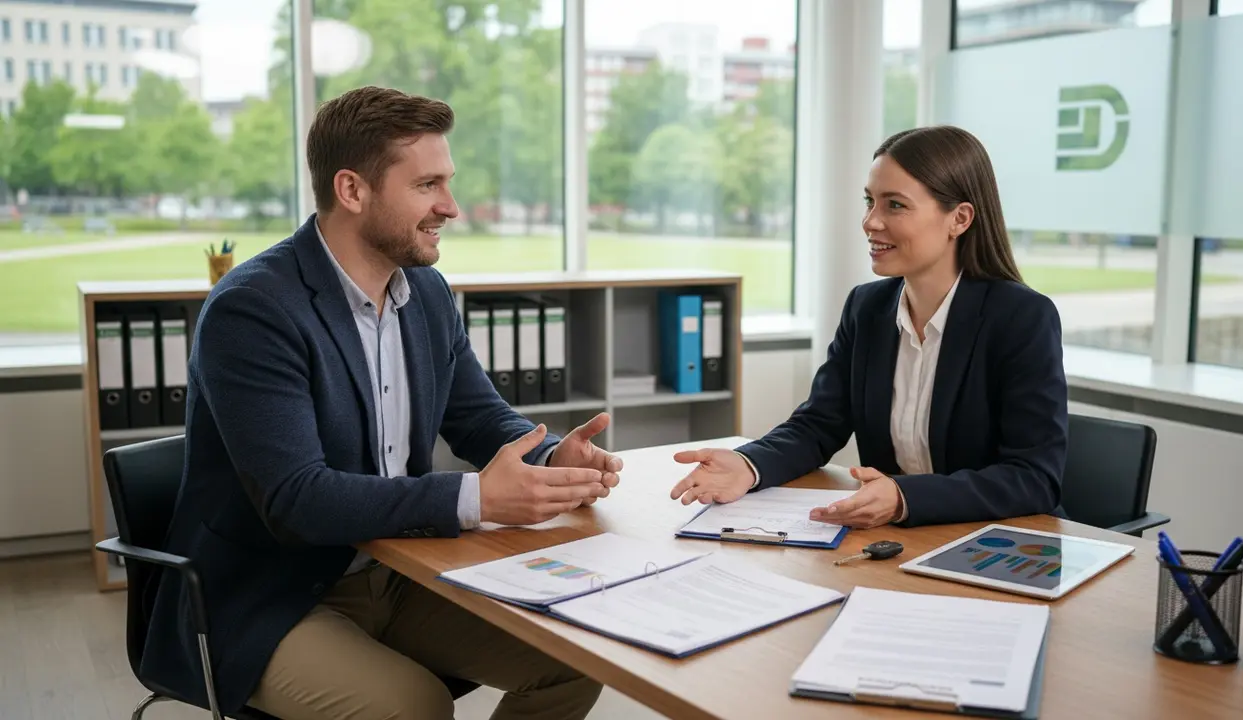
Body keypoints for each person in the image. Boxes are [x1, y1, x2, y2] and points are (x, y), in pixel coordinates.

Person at [140, 86, 618, 719]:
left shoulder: (425, 291)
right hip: (267, 594)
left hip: (400, 570)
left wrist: (554, 459)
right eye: (427, 186)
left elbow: (478, 418)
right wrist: (476, 498)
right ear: (352, 190)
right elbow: (297, 500)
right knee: (412, 706)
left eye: (448, 183)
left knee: (574, 658)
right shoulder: (252, 311)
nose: (451, 207)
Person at [669, 125, 1068, 529]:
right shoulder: (868, 307)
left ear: (959, 219)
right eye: (869, 202)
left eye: (895, 205)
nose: (870, 222)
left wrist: (904, 497)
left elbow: (1033, 478)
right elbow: (819, 424)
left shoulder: (1021, 318)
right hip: (900, 545)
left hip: (996, 542)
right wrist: (748, 464)